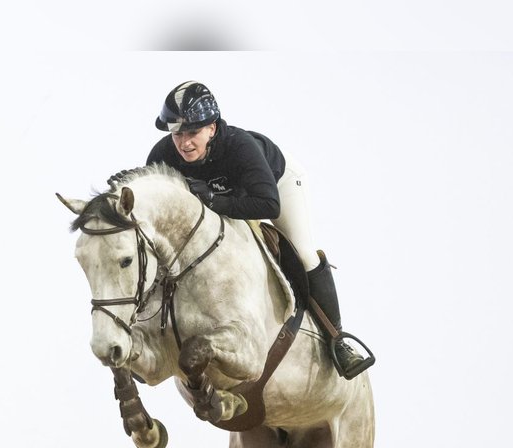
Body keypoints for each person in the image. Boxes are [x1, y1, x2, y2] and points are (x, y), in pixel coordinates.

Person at [144, 81, 374, 380]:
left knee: (303, 253)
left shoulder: (240, 146)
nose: (184, 143)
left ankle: (338, 340)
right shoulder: (162, 155)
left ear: (212, 128)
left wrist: (213, 200)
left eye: (193, 133)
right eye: (177, 134)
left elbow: (268, 206)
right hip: (233, 198)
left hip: (276, 185)